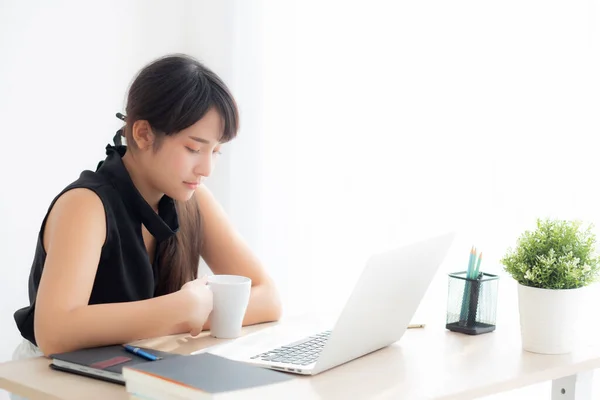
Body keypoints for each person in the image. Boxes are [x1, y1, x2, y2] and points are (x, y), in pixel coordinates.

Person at [11, 54, 282, 362]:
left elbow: (268, 297)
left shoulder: (194, 200)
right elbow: (54, 333)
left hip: (140, 366)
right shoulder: (86, 205)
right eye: (193, 148)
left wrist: (190, 313)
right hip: (56, 379)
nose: (207, 168)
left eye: (216, 150)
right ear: (142, 134)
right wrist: (178, 311)